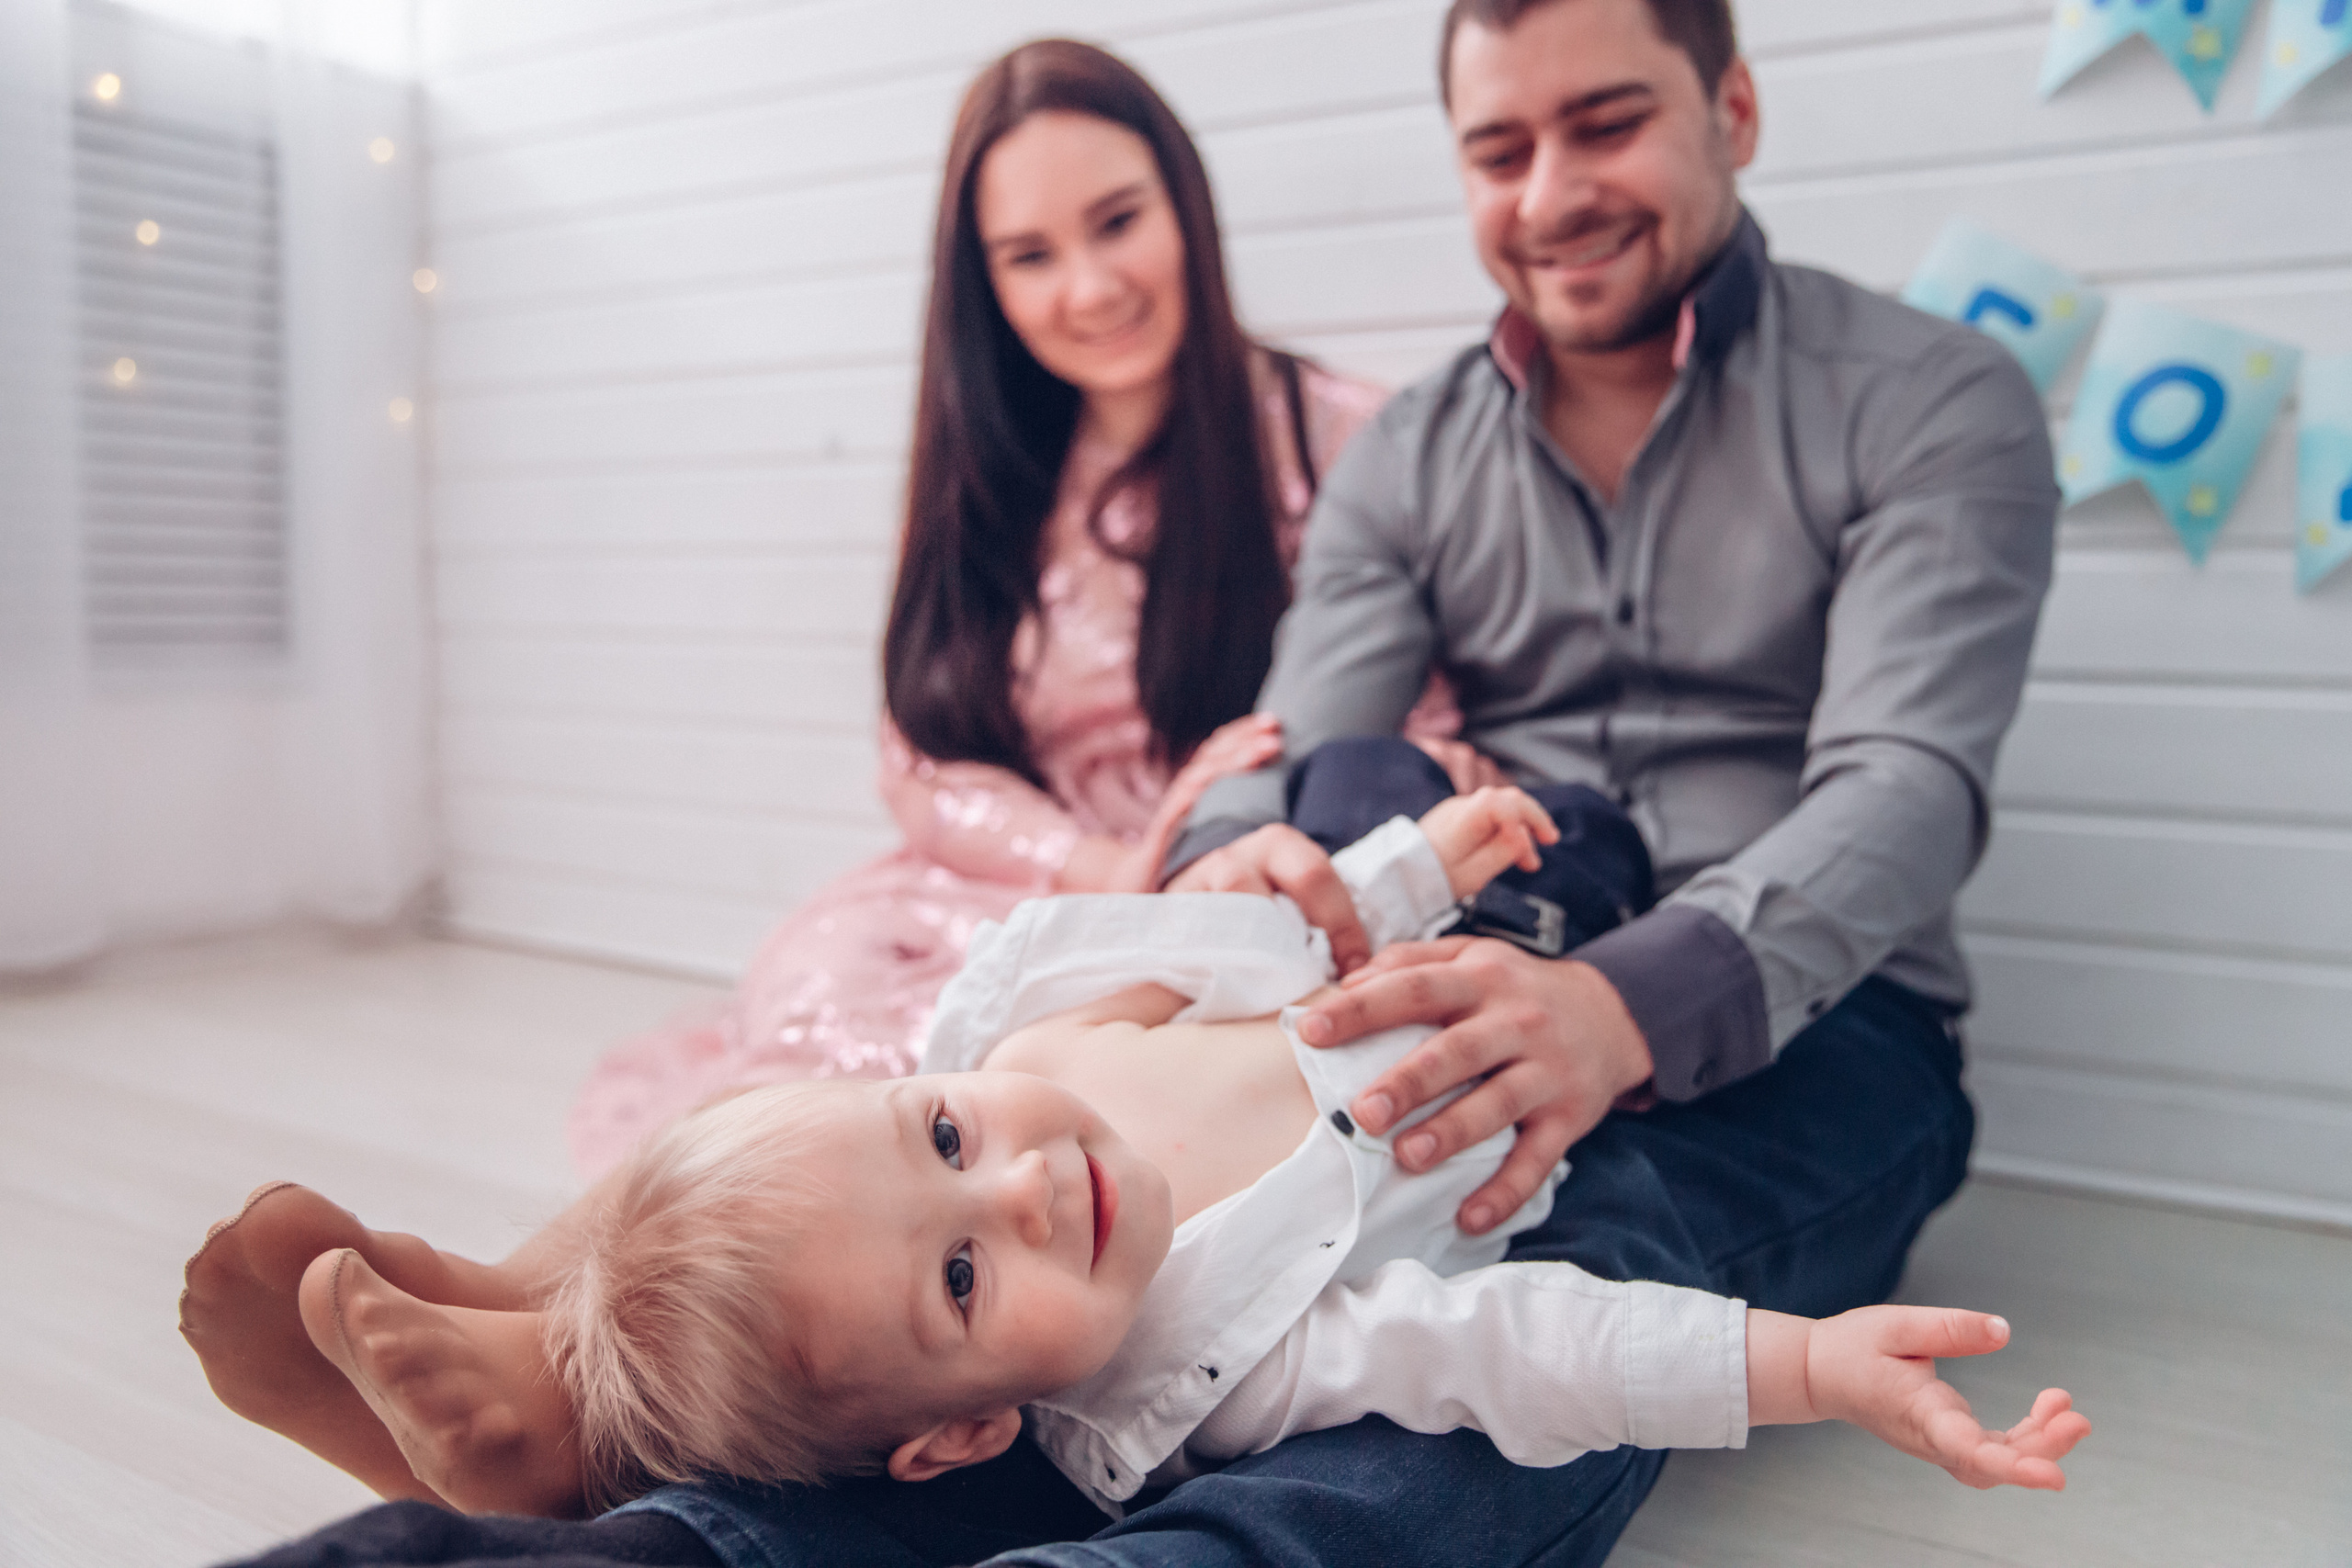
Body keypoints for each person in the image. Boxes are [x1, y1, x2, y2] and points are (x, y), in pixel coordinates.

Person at [216, 791, 2084, 1568]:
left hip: (1581, 960)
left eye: (950, 1140)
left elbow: (1256, 937)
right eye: (963, 1275)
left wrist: (1410, 858)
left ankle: (626, 1485)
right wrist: (1802, 1362)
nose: (1019, 1187)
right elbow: (1524, 1343)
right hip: (1481, 1161)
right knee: (1439, 1424)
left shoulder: (1019, 1042)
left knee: (835, 1227)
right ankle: (598, 1423)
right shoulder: (1223, 1343)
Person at [561, 37, 1460, 1180]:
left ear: (1185, 206)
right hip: (1028, 883)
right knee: (823, 1031)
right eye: (1030, 256)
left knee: (1066, 1105)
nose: (1089, 289)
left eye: (1119, 222)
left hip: (1250, 890)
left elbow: (1420, 722)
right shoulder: (983, 474)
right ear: (984, 283)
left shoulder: (1342, 440)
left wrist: (1209, 859)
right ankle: (552, 1322)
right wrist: (1105, 864)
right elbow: (921, 758)